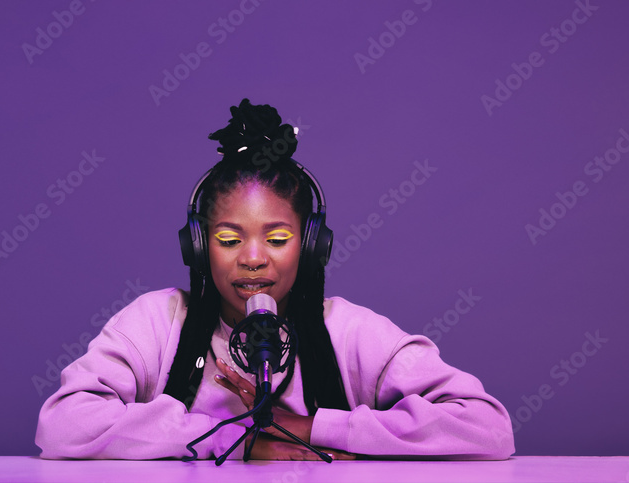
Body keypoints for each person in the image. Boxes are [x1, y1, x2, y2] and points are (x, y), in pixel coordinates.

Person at [35, 99, 515, 461]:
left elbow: (488, 429)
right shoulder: (156, 322)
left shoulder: (349, 332)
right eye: (228, 239)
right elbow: (62, 427)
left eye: (278, 238)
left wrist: (310, 429)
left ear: (311, 247)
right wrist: (234, 438)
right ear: (199, 248)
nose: (252, 259)